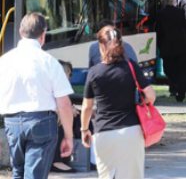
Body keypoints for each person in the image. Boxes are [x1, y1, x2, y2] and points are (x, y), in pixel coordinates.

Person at [0, 13, 74, 179]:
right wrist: (68, 136)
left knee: (17, 173)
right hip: (41, 123)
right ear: (43, 35)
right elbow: (64, 104)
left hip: (12, 124)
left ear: (20, 32)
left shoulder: (4, 61)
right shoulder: (49, 62)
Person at [80, 26, 156, 179]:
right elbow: (150, 94)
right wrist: (143, 104)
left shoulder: (94, 72)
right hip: (131, 131)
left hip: (104, 133)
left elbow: (87, 106)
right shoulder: (131, 67)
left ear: (101, 46)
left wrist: (84, 129)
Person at [157, 0, 186, 102]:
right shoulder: (180, 12)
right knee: (180, 70)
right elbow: (184, 25)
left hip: (168, 47)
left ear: (163, 0)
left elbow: (159, 31)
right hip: (182, 45)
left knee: (169, 70)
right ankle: (183, 91)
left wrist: (159, 45)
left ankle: (181, 89)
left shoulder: (161, 13)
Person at [51, 61, 81, 174]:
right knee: (65, 123)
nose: (70, 77)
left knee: (78, 118)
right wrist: (69, 112)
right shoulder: (55, 86)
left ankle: (83, 156)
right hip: (49, 120)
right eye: (69, 74)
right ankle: (57, 161)